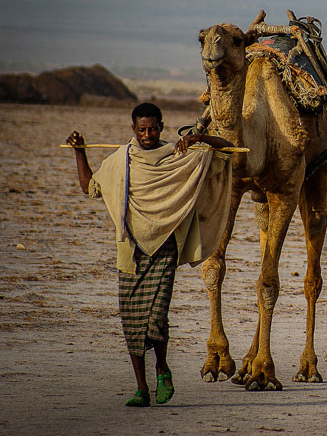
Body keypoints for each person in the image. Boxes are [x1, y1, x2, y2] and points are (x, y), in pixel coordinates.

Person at [66, 102, 233, 407]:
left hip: (165, 248)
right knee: (132, 323)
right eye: (141, 129)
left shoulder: (178, 155)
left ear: (161, 126)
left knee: (156, 320)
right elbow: (89, 186)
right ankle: (141, 388)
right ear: (133, 129)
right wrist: (79, 151)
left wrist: (200, 139)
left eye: (153, 128)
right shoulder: (121, 160)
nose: (147, 134)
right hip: (130, 251)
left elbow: (228, 150)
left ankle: (162, 368)